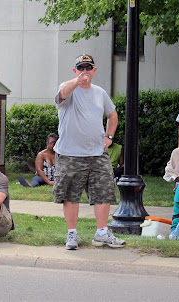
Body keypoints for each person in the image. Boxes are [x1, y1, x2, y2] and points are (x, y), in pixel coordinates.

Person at [53, 53, 125, 250]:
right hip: (70, 154)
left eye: (88, 68)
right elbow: (63, 94)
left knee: (104, 191)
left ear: (94, 71)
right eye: (81, 68)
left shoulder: (100, 93)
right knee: (70, 194)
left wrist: (109, 136)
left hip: (97, 153)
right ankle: (72, 235)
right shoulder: (68, 89)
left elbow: (112, 114)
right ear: (75, 71)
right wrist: (76, 82)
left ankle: (102, 233)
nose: (85, 72)